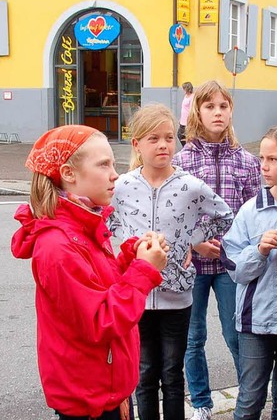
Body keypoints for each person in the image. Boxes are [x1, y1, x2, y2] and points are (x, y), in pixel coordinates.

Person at [11, 125, 167, 420]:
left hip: (106, 389)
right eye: (104, 164)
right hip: (89, 400)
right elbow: (101, 320)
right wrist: (144, 270)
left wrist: (131, 256)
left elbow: (102, 285)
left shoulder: (83, 225)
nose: (114, 174)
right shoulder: (58, 246)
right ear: (69, 174)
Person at [109, 104, 234, 420]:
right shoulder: (122, 186)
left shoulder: (189, 185)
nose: (163, 145)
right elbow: (105, 220)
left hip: (177, 294)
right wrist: (124, 249)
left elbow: (224, 214)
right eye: (153, 139)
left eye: (168, 138)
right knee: (145, 371)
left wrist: (193, 239)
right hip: (136, 294)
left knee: (172, 372)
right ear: (136, 144)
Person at [173, 80, 262, 420]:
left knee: (236, 334)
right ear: (198, 111)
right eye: (210, 106)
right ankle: (200, 402)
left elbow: (256, 214)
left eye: (223, 106)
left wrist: (235, 246)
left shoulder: (246, 161)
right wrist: (195, 243)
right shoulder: (181, 161)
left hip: (230, 264)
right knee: (192, 338)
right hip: (191, 265)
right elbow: (175, 215)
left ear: (230, 111)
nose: (217, 113)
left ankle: (248, 397)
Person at [223, 123, 277, 420]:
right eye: (262, 158)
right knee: (250, 399)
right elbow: (234, 268)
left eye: (273, 159)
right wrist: (259, 250)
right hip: (256, 322)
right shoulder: (252, 209)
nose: (264, 166)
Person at [178, 81, 194, 146]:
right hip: (183, 119)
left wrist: (190, 121)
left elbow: (191, 109)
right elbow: (183, 107)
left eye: (184, 88)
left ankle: (187, 148)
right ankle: (186, 147)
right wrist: (180, 119)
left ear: (187, 88)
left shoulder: (192, 96)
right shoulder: (185, 96)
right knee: (180, 135)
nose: (183, 90)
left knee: (185, 136)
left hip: (187, 120)